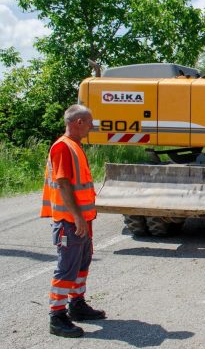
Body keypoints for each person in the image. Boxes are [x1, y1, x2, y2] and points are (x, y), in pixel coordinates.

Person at [41, 104, 106, 338]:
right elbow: (63, 184)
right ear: (78, 123)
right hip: (70, 221)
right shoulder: (63, 147)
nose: (92, 126)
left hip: (81, 221)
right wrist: (77, 217)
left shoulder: (74, 146)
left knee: (81, 264)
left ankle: (76, 305)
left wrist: (84, 218)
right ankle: (57, 317)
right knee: (67, 269)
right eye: (89, 122)